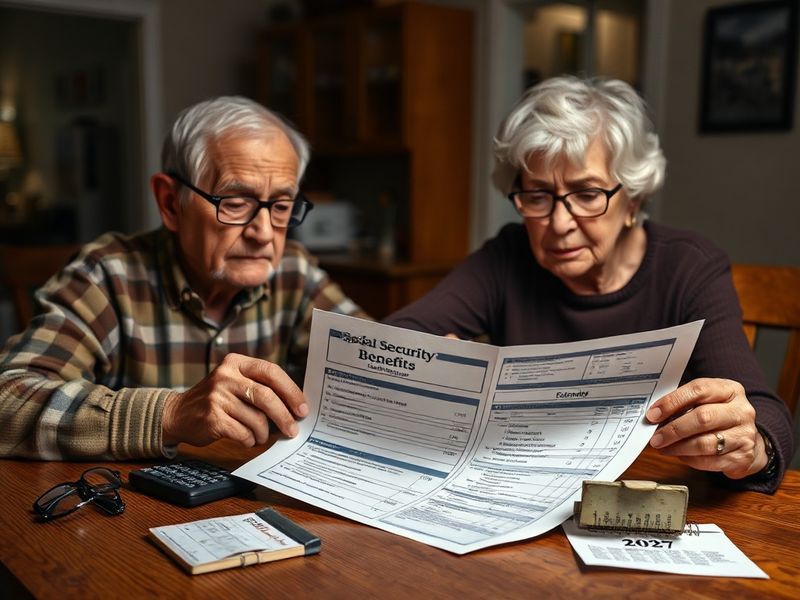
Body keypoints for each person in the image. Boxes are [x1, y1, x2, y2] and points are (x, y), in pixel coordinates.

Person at [385, 76, 793, 493]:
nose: (559, 224)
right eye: (538, 196)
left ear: (632, 199)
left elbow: (763, 416)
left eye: (586, 194)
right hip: (520, 490)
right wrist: (437, 368)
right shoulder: (507, 257)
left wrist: (753, 448)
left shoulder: (688, 267)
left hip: (642, 496)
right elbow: (395, 338)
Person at [0, 96, 367, 460]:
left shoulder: (293, 272)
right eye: (236, 203)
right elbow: (9, 398)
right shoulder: (106, 277)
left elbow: (373, 359)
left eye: (282, 207)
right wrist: (171, 413)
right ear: (171, 203)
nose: (264, 233)